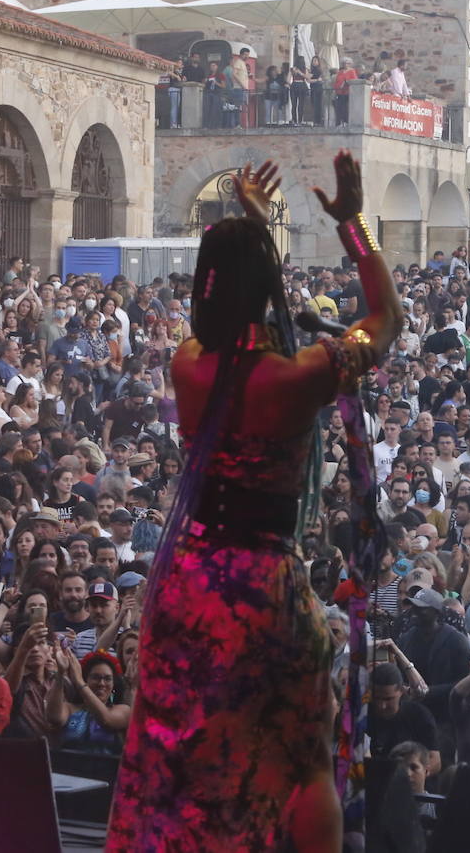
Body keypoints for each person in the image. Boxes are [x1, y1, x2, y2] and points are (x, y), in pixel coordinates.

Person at [108, 153, 402, 852]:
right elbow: (386, 319)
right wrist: (352, 226)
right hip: (262, 591)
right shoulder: (299, 376)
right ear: (268, 283)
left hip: (185, 585)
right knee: (304, 763)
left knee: (179, 763)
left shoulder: (187, 364)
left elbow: (234, 308)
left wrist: (250, 225)